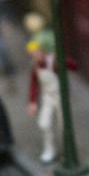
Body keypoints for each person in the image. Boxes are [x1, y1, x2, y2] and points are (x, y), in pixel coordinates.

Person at [25, 13, 61, 165]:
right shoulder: (35, 68)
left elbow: (72, 66)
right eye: (32, 54)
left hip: (59, 96)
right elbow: (34, 86)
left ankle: (66, 150)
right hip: (47, 97)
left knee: (62, 125)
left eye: (36, 53)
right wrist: (32, 102)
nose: (35, 56)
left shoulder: (53, 62)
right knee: (44, 123)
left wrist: (60, 59)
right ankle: (49, 150)